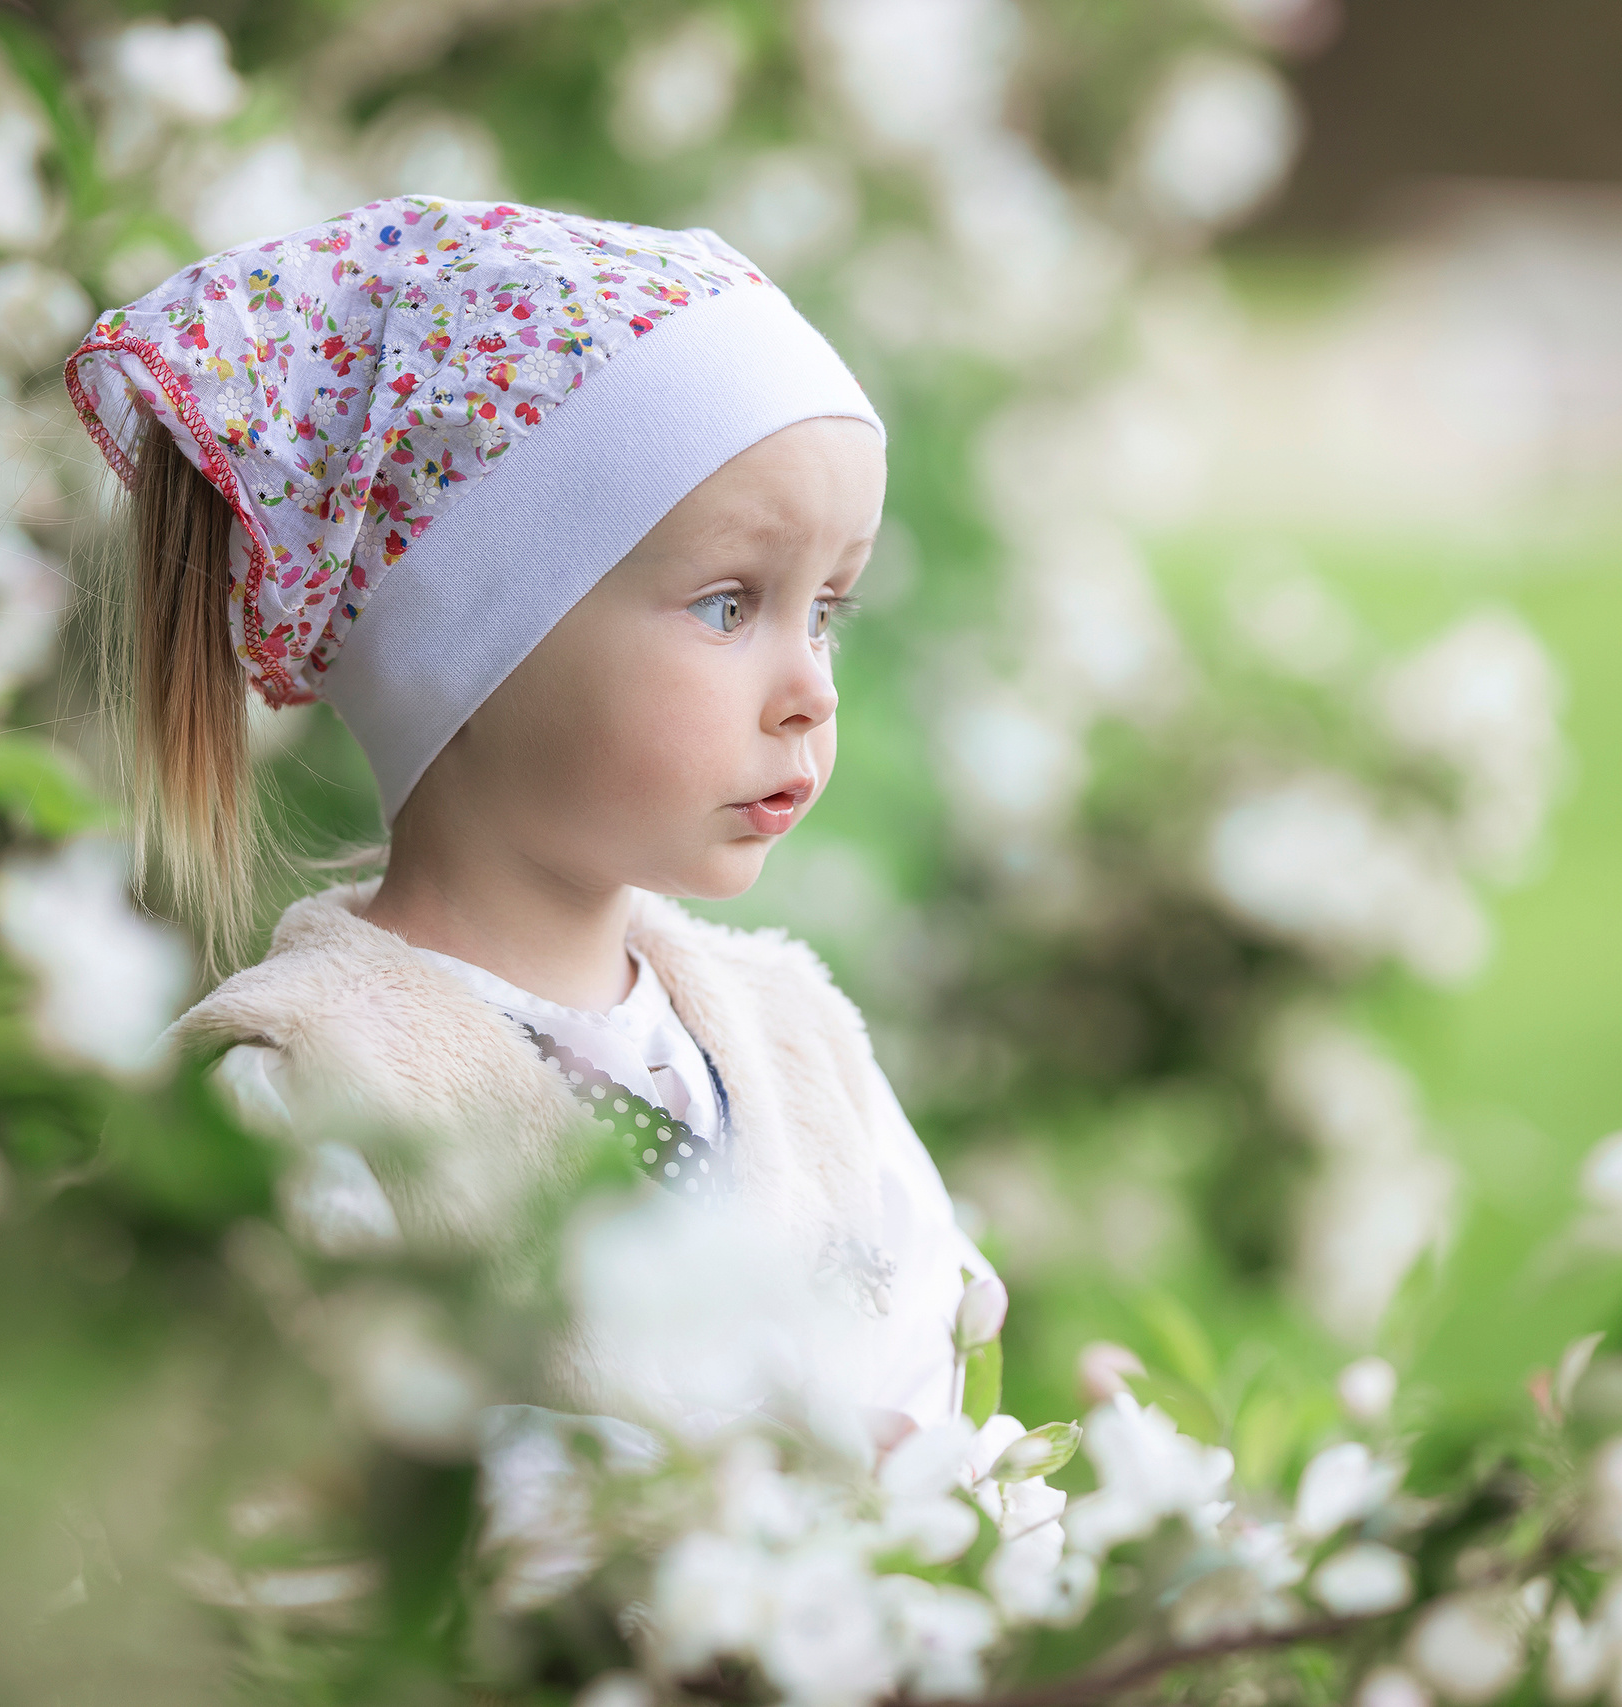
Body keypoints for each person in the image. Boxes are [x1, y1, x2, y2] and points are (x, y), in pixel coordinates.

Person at [65, 196, 995, 1442]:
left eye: (827, 608)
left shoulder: (802, 1048)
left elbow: (937, 1403)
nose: (811, 689)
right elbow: (289, 1510)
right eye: (729, 606)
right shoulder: (314, 1099)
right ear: (471, 644)